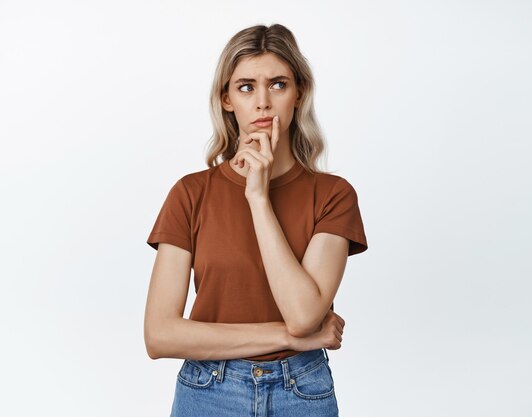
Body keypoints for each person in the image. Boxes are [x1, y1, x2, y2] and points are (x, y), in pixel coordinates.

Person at [144, 23, 368, 417]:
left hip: (300, 391)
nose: (263, 102)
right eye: (246, 87)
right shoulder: (190, 193)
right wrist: (285, 336)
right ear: (227, 99)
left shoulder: (333, 195)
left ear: (298, 94)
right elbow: (159, 335)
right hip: (208, 391)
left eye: (278, 84)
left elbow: (303, 316)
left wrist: (258, 198)